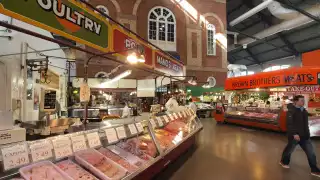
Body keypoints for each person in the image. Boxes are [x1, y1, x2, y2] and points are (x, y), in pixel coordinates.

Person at [279, 95, 320, 177]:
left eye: (303, 100)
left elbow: (305, 123)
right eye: (301, 100)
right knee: (289, 150)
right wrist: (294, 133)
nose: (303, 102)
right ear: (295, 101)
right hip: (295, 136)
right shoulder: (291, 110)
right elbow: (289, 124)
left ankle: (314, 170)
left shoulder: (303, 110)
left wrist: (308, 133)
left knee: (311, 153)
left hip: (304, 136)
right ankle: (284, 161)